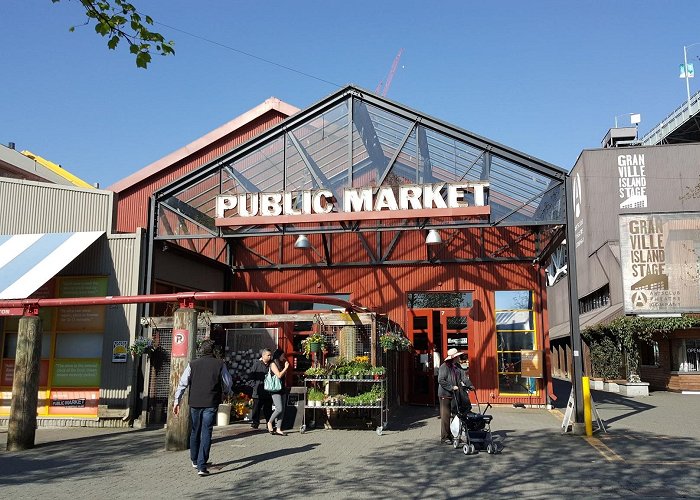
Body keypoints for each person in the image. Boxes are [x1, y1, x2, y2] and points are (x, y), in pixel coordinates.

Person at [173, 339, 232, 476]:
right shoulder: (219, 364)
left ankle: (194, 459)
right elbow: (227, 381)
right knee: (206, 432)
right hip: (211, 401)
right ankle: (201, 465)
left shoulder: (192, 364)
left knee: (195, 430)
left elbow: (183, 383)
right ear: (212, 350)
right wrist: (228, 391)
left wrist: (177, 400)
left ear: (201, 350)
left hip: (195, 401)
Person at [437, 347, 474, 444]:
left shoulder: (458, 367)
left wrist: (470, 385)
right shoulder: (444, 367)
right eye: (457, 356)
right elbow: (441, 380)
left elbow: (464, 377)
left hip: (455, 394)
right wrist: (451, 387)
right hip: (445, 395)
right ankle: (445, 437)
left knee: (456, 415)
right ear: (453, 357)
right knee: (445, 416)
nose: (459, 358)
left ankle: (455, 436)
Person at [248, 348, 273, 430]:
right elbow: (251, 377)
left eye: (270, 355)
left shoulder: (271, 365)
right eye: (268, 355)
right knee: (256, 408)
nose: (270, 357)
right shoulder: (257, 364)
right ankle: (255, 422)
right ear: (263, 355)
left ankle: (268, 423)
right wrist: (255, 386)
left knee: (268, 408)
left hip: (268, 390)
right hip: (258, 391)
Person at [267, 348, 290, 436]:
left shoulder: (281, 363)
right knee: (279, 408)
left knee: (282, 410)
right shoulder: (273, 364)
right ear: (278, 355)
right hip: (275, 389)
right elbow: (279, 375)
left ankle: (278, 428)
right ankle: (270, 422)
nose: (283, 357)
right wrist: (286, 368)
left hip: (282, 388)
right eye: (282, 355)